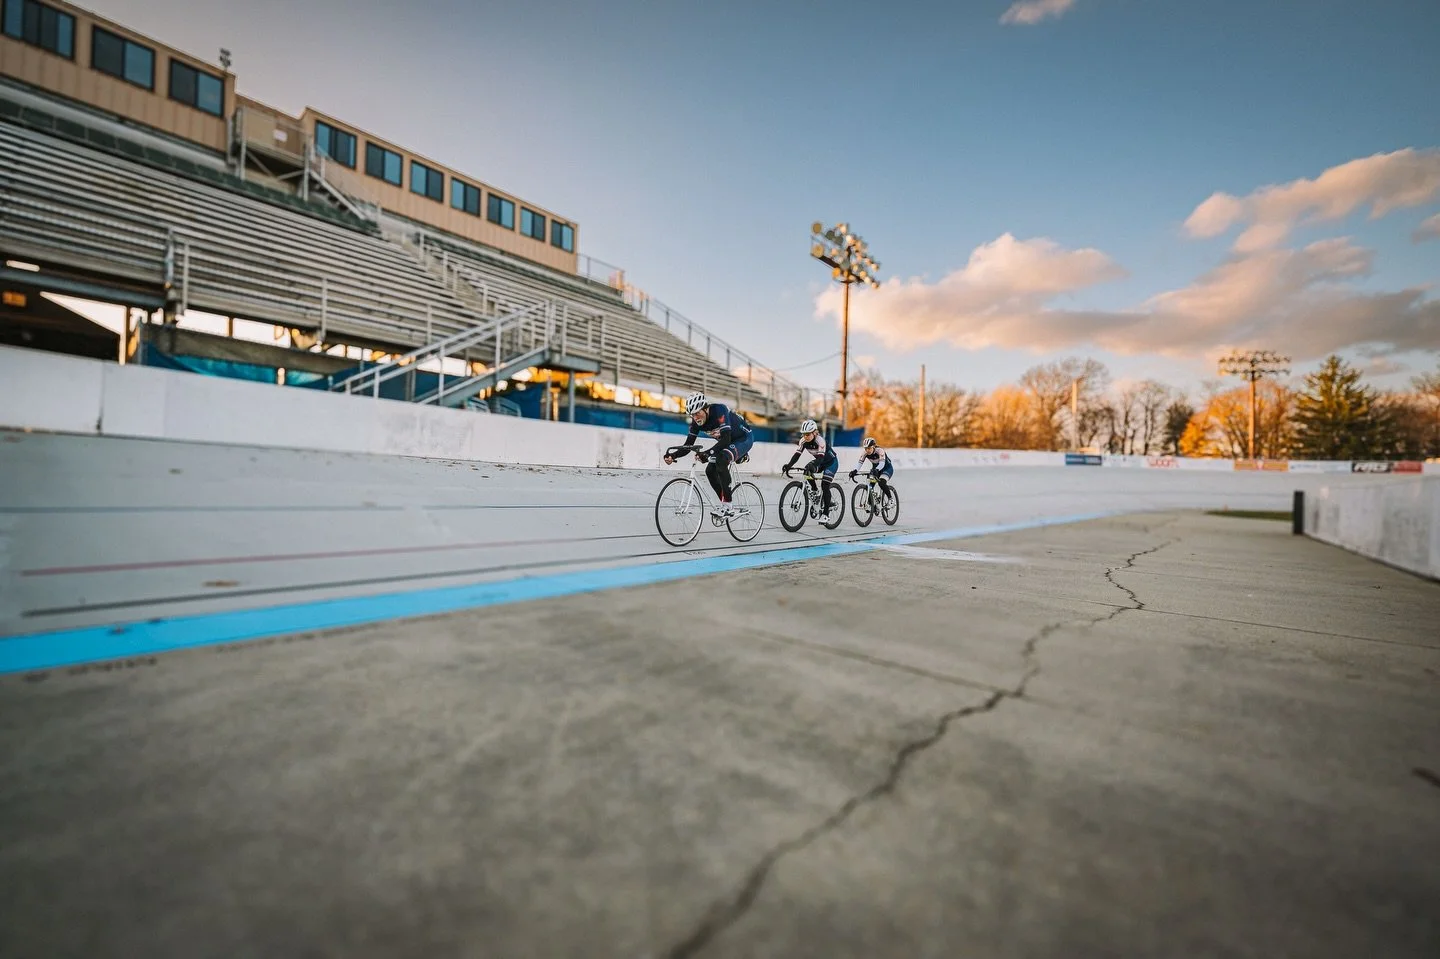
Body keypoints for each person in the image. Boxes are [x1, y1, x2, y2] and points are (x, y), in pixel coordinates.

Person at [665, 390, 754, 515]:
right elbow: (688, 445)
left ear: (706, 409)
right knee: (710, 471)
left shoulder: (719, 410)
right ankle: (724, 504)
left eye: (697, 413)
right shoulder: (696, 423)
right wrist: (673, 455)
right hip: (727, 442)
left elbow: (726, 439)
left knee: (721, 460)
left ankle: (728, 506)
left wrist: (707, 453)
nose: (695, 418)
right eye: (692, 415)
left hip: (743, 438)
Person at [782, 419, 839, 516]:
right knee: (807, 470)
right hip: (820, 462)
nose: (806, 436)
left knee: (825, 485)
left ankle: (826, 514)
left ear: (815, 433)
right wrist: (789, 465)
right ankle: (815, 491)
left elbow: (821, 458)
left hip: (831, 463)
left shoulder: (820, 440)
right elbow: (797, 455)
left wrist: (813, 465)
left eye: (808, 434)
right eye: (804, 434)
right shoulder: (803, 441)